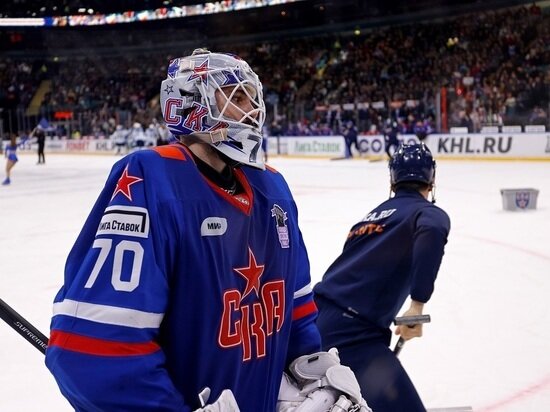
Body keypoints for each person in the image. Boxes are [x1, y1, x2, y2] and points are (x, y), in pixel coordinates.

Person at [45, 48, 369, 412]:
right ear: (191, 105)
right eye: (236, 97)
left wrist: (308, 375)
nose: (252, 110)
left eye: (252, 98)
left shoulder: (273, 189)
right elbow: (92, 350)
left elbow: (295, 317)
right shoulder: (153, 181)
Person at [314, 143, 451, 412]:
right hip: (354, 334)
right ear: (431, 180)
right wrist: (417, 305)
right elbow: (433, 228)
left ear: (392, 180)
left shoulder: (368, 219)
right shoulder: (427, 212)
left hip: (317, 317)